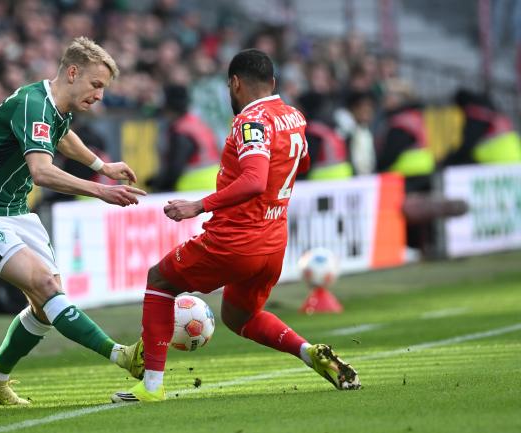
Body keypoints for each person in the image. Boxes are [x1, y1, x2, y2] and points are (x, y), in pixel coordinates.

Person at [111, 49, 360, 403]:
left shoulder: (250, 121)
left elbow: (255, 179)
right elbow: (301, 163)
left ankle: (151, 386)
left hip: (235, 240)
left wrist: (198, 205)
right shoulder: (293, 116)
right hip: (273, 243)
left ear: (235, 83)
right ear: (272, 83)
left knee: (159, 280)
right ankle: (308, 352)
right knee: (239, 316)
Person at [0, 37, 147, 406]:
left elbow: (62, 136)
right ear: (72, 72)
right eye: (95, 85)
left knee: (44, 307)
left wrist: (102, 166)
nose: (99, 95)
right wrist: (100, 190)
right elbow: (42, 172)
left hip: (14, 208)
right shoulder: (33, 104)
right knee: (48, 288)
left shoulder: (56, 106)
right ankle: (122, 356)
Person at [147, 84, 220, 192]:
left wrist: (157, 184)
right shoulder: (197, 123)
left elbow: (175, 169)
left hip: (193, 189)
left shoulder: (181, 132)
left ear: (169, 108)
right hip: (212, 185)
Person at [443, 88, 521, 166]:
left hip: (497, 160)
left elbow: (468, 145)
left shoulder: (476, 114)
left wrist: (447, 161)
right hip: (515, 158)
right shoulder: (491, 110)